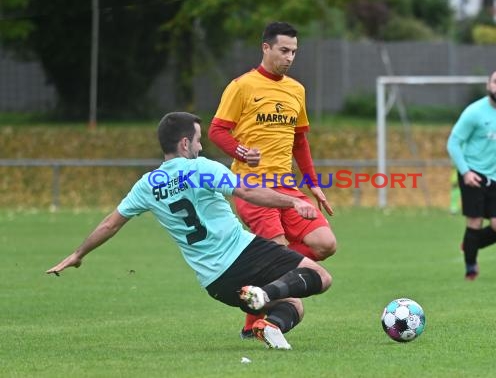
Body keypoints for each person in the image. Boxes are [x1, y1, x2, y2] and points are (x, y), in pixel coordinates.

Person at [46, 112, 332, 350]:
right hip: (242, 251)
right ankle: (263, 294)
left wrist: (78, 253)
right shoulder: (201, 168)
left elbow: (110, 223)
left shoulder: (147, 185)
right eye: (197, 141)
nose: (200, 147)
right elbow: (247, 191)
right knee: (320, 276)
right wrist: (292, 200)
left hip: (214, 281)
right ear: (185, 143)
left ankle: (269, 325)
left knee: (293, 305)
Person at [208, 21, 337, 337]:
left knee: (325, 243)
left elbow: (300, 141)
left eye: (294, 51)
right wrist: (240, 151)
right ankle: (255, 325)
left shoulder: (296, 89)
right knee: (280, 259)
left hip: (288, 188)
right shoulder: (241, 86)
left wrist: (313, 183)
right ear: (265, 48)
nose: (290, 57)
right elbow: (216, 130)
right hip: (253, 188)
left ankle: (255, 285)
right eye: (284, 50)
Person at [447, 69, 496, 280]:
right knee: (475, 222)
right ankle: (470, 267)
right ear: (488, 84)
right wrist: (465, 172)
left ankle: (469, 244)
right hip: (474, 175)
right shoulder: (474, 112)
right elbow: (453, 142)